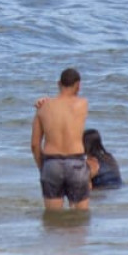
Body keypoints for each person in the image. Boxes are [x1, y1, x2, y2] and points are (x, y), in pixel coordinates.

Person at [32, 67, 91, 211]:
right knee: (81, 216)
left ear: (59, 83)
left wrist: (42, 167)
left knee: (53, 217)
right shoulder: (83, 104)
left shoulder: (43, 107)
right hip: (76, 162)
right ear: (78, 85)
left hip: (51, 163)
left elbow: (34, 145)